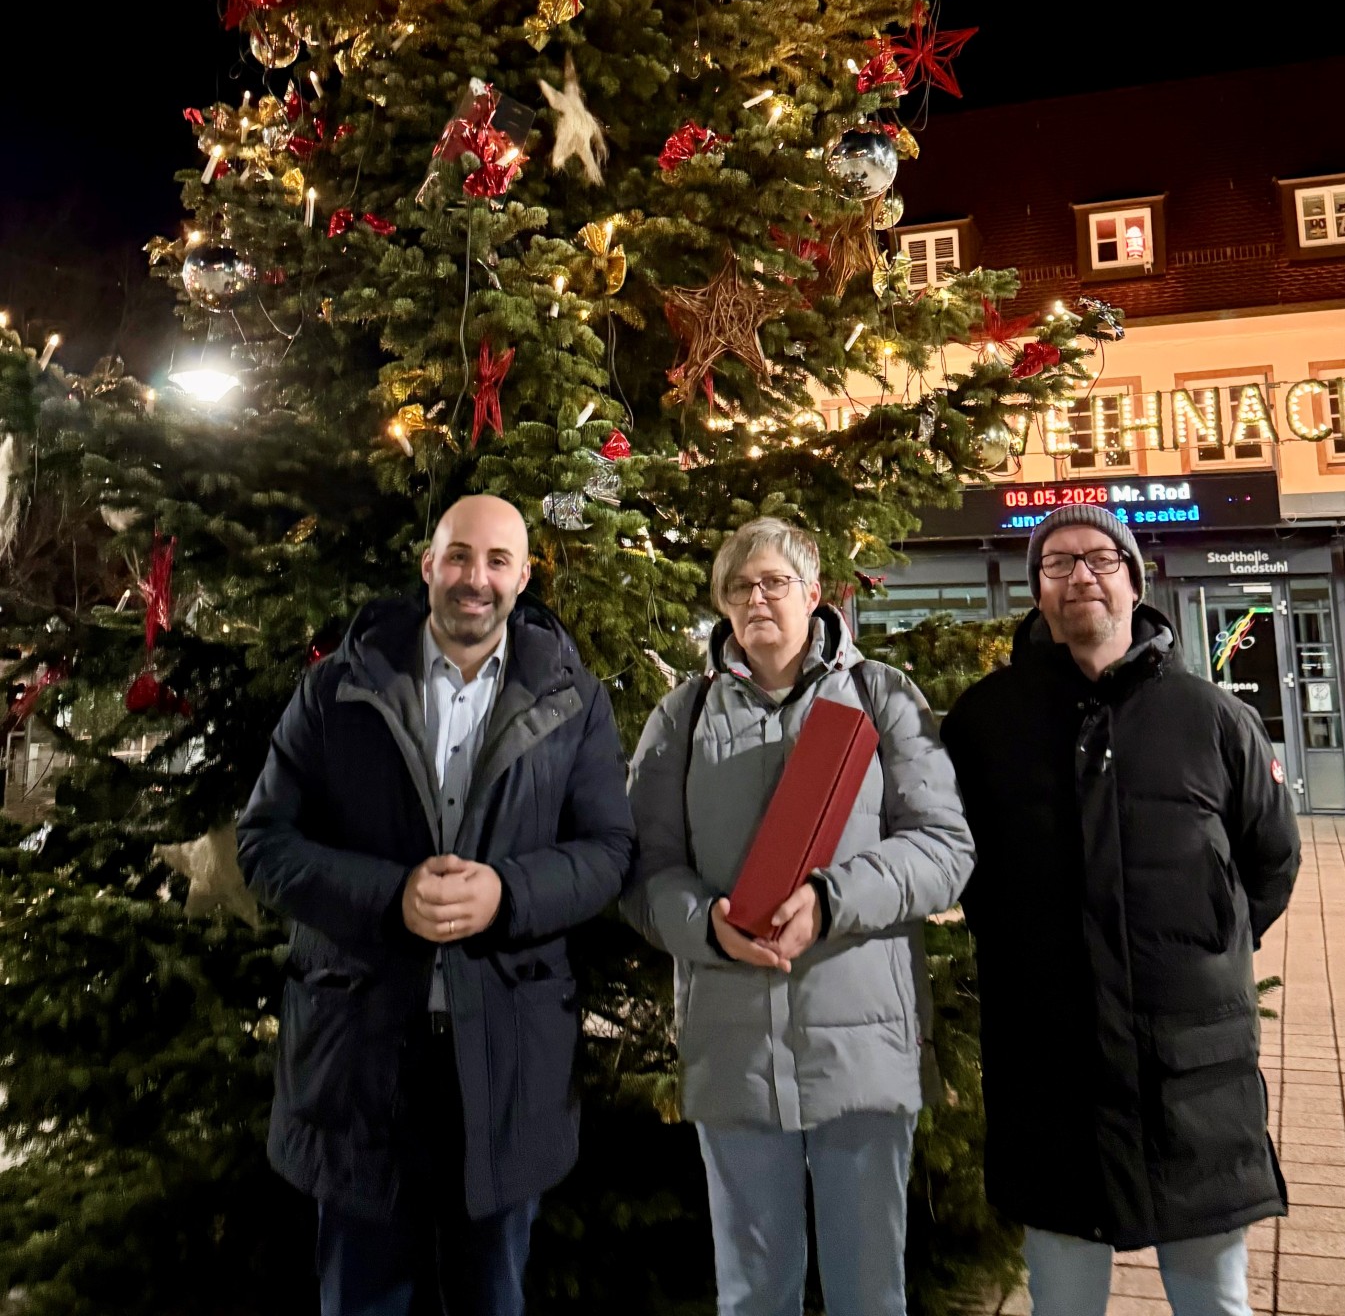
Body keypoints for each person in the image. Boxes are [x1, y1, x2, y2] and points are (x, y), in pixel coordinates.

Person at [236, 494, 635, 1316]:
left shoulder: (575, 701)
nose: (474, 580)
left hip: (507, 1063)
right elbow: (263, 844)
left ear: (524, 576)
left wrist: (507, 893)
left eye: (496, 562)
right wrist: (390, 898)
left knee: (492, 1298)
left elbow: (609, 853)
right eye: (458, 557)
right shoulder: (334, 692)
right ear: (428, 566)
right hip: (359, 1060)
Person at [941, 507, 1301, 1316]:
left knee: (1213, 1298)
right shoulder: (985, 722)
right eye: (1057, 564)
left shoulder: (1213, 719)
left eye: (1100, 558)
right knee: (1063, 1302)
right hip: (1050, 1062)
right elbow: (957, 860)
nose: (1080, 577)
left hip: (1194, 1068)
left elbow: (1269, 862)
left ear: (1135, 581)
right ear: (1036, 592)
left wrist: (1208, 948)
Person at [624, 516, 974, 1316]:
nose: (757, 599)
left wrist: (832, 899)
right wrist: (704, 924)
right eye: (739, 587)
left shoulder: (882, 698)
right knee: (754, 1296)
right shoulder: (681, 718)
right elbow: (644, 874)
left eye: (775, 582)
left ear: (815, 594)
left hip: (861, 1056)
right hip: (735, 1050)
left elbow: (945, 849)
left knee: (868, 1295)